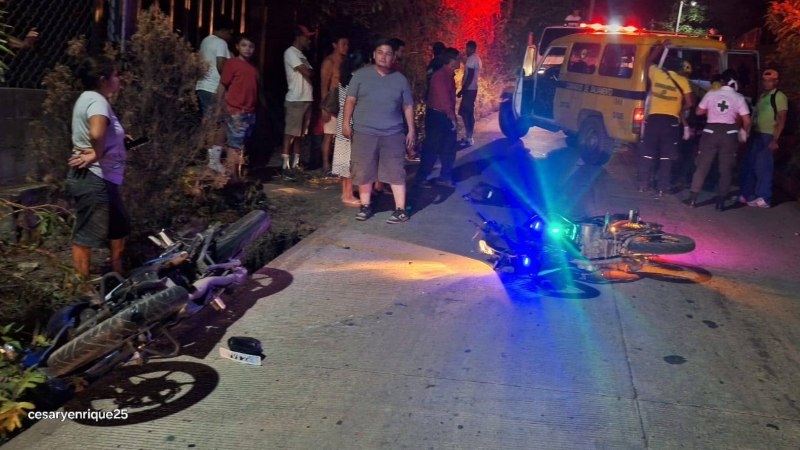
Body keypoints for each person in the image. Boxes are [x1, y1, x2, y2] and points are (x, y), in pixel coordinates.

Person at [66, 56, 129, 280]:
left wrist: (119, 142)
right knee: (87, 233)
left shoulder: (88, 98)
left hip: (104, 177)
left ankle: (117, 271)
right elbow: (96, 133)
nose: (118, 79)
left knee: (119, 225)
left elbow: (102, 133)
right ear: (103, 80)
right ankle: (81, 288)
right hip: (94, 177)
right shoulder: (98, 101)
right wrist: (97, 153)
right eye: (115, 75)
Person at [342, 38, 415, 224]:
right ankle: (365, 206)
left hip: (393, 133)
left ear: (393, 57)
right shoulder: (360, 76)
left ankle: (400, 210)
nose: (384, 56)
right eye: (380, 52)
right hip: (364, 132)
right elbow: (350, 100)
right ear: (374, 55)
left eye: (388, 53)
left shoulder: (400, 79)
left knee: (395, 170)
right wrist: (345, 123)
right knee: (364, 169)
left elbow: (407, 106)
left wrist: (411, 130)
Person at [685, 70, 751, 211]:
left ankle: (692, 199)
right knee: (725, 169)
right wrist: (745, 132)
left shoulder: (711, 94)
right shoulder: (739, 97)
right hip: (729, 134)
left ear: (722, 82)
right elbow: (747, 120)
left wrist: (711, 111)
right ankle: (720, 202)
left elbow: (698, 111)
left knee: (702, 166)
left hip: (710, 132)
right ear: (735, 82)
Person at [638, 41, 693, 197]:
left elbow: (647, 61)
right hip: (671, 123)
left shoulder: (657, 73)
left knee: (647, 154)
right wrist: (679, 110)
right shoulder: (683, 81)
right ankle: (662, 187)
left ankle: (643, 185)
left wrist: (659, 47)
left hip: (654, 120)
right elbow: (690, 103)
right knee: (666, 157)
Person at [739, 69, 787, 208]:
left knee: (764, 167)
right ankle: (750, 194)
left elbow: (781, 118)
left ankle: (764, 197)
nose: (767, 83)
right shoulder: (763, 96)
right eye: (765, 81)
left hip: (767, 135)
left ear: (776, 82)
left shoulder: (779, 96)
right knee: (750, 165)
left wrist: (775, 139)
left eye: (770, 81)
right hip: (757, 134)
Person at [415, 47, 460, 188]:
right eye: (458, 59)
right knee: (432, 148)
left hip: (442, 114)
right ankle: (422, 178)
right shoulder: (440, 76)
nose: (460, 62)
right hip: (437, 115)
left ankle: (444, 176)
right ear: (452, 61)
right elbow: (444, 99)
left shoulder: (447, 74)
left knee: (448, 147)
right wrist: (452, 118)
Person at [220, 34, 262, 180]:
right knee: (235, 145)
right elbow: (223, 85)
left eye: (251, 46)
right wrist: (220, 105)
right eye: (244, 45)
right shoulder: (232, 64)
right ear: (237, 47)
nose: (248, 49)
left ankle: (236, 173)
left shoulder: (253, 68)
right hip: (235, 110)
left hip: (249, 111)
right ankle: (232, 177)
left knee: (241, 144)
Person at [196, 16, 233, 174]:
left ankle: (211, 160)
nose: (230, 37)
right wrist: (229, 84)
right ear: (224, 31)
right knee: (221, 124)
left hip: (202, 86)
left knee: (210, 123)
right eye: (230, 33)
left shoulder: (206, 41)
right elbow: (221, 65)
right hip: (214, 88)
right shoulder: (221, 43)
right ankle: (214, 161)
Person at [281, 25, 316, 180]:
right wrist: (308, 71)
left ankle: (295, 163)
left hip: (306, 97)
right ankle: (284, 165)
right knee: (290, 132)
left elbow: (310, 72)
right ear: (298, 37)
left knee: (300, 133)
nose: (308, 40)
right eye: (306, 37)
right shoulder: (290, 52)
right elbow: (308, 72)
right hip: (295, 98)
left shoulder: (301, 55)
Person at [331, 52, 365, 207]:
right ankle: (348, 194)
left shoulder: (345, 79)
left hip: (343, 121)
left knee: (345, 159)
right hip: (351, 122)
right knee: (351, 160)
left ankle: (346, 192)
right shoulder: (355, 80)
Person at [320, 35, 350, 176]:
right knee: (328, 135)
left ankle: (339, 165)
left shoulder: (346, 62)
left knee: (342, 135)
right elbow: (324, 85)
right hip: (331, 101)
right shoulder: (329, 62)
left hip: (343, 100)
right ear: (334, 44)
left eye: (347, 44)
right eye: (343, 43)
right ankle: (326, 165)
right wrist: (324, 107)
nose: (345, 47)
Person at [457, 40, 481, 146]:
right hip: (472, 89)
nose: (466, 51)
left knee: (465, 112)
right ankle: (469, 136)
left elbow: (470, 76)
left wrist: (463, 90)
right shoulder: (477, 59)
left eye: (467, 48)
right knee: (468, 112)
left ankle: (469, 137)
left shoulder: (471, 59)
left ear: (471, 48)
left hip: (469, 90)